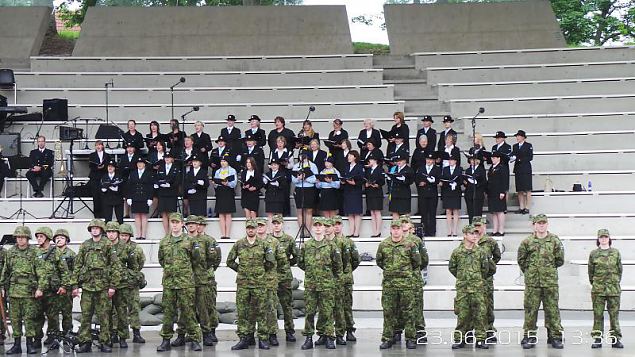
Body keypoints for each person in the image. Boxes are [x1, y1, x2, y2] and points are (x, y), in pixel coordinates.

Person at [71, 219, 121, 353]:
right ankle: (85, 342)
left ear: (101, 230)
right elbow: (77, 266)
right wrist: (74, 285)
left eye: (97, 228)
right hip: (87, 287)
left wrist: (113, 286)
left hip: (103, 287)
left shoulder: (108, 245)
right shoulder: (85, 245)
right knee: (86, 315)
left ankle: (105, 341)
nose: (94, 230)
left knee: (104, 316)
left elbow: (116, 266)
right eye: (92, 228)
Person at [156, 213, 203, 352]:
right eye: (172, 222)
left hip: (185, 283)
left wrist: (183, 271)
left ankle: (194, 339)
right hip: (170, 282)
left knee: (189, 311)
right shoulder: (164, 242)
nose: (175, 225)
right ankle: (165, 340)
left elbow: (196, 260)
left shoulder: (190, 241)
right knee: (168, 313)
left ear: (182, 224)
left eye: (177, 222)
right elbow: (161, 260)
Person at [517, 214, 564, 349]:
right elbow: (521, 260)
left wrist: (547, 270)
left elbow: (559, 260)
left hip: (550, 282)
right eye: (539, 223)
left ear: (547, 224)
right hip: (533, 283)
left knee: (552, 310)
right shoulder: (527, 242)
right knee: (531, 310)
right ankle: (529, 336)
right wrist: (532, 272)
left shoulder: (555, 240)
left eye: (544, 223)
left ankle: (555, 336)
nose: (541, 225)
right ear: (534, 225)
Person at [226, 219, 275, 350]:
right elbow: (229, 261)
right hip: (243, 284)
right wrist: (241, 270)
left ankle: (263, 338)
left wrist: (259, 271)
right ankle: (244, 338)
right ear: (246, 229)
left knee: (261, 311)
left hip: (259, 283)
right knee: (243, 312)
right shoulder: (239, 244)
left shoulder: (264, 244)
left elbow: (270, 262)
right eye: (249, 228)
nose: (251, 230)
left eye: (253, 228)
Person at [1, 226, 48, 355]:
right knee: (15, 319)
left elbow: (42, 272)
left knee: (29, 319)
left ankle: (29, 344)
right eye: (18, 237)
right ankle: (16, 345)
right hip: (14, 291)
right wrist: (2, 286)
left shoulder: (35, 252)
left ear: (27, 238)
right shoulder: (11, 252)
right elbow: (6, 271)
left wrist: (40, 288)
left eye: (22, 237)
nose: (20, 240)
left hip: (29, 292)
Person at [376, 220, 421, 350]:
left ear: (403, 230)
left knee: (408, 312)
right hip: (390, 285)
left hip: (406, 284)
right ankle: (387, 338)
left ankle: (410, 338)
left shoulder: (410, 244)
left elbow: (417, 262)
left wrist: (405, 273)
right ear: (391, 230)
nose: (396, 231)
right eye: (393, 228)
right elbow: (380, 261)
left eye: (398, 228)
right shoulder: (384, 245)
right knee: (389, 312)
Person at [298, 218, 342, 350]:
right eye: (315, 225)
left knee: (327, 312)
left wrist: (330, 279)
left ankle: (329, 337)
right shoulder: (307, 245)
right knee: (310, 312)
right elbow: (301, 262)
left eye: (320, 225)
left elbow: (338, 266)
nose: (317, 228)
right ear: (312, 227)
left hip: (327, 285)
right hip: (311, 285)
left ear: (325, 228)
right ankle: (309, 338)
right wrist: (313, 273)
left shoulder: (331, 246)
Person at [172, 216, 216, 347]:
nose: (191, 226)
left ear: (198, 225)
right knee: (184, 308)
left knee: (203, 308)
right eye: (189, 224)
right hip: (184, 280)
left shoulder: (207, 240)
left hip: (200, 279)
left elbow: (213, 259)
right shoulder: (182, 240)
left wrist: (202, 270)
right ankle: (182, 334)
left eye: (193, 224)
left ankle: (206, 334)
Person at [448, 224, 493, 350]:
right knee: (462, 315)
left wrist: (476, 279)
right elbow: (452, 268)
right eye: (472, 234)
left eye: (476, 234)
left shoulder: (481, 252)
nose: (474, 236)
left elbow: (486, 269)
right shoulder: (457, 252)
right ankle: (460, 339)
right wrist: (463, 278)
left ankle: (480, 339)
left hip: (477, 288)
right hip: (463, 288)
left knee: (480, 314)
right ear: (465, 235)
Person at [33, 226, 71, 349]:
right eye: (37, 237)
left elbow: (64, 271)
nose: (39, 239)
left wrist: (64, 286)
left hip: (52, 290)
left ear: (48, 238)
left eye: (41, 237)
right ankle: (37, 338)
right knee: (37, 316)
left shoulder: (56, 252)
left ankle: (53, 337)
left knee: (53, 316)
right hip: (38, 289)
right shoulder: (35, 252)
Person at [588, 229, 624, 349]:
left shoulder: (616, 253)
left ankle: (615, 339)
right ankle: (597, 338)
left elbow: (619, 270)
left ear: (609, 239)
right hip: (598, 289)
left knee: (614, 315)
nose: (603, 239)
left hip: (613, 289)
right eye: (601, 237)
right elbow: (590, 272)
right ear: (598, 239)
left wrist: (614, 282)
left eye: (605, 237)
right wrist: (596, 284)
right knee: (598, 314)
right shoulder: (594, 254)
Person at [255, 218, 287, 348]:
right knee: (255, 309)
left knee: (271, 308)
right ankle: (255, 334)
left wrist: (275, 275)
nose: (260, 228)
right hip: (254, 282)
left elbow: (283, 260)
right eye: (257, 226)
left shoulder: (273, 242)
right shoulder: (249, 243)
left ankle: (272, 334)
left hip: (269, 281)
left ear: (266, 227)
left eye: (262, 226)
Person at [269, 214, 298, 342]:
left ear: (282, 224)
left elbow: (296, 257)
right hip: (271, 277)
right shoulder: (267, 240)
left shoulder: (289, 239)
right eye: (274, 223)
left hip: (285, 277)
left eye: (278, 223)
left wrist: (286, 264)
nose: (276, 225)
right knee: (271, 306)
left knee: (287, 306)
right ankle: (272, 333)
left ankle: (290, 331)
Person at [472, 217, 502, 341]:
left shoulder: (490, 242)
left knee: (488, 305)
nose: (478, 228)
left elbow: (497, 256)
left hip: (486, 279)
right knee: (470, 306)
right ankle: (469, 331)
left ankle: (489, 330)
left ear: (484, 226)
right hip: (471, 279)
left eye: (480, 226)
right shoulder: (468, 240)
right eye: (476, 226)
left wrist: (489, 268)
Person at [332, 216, 360, 343]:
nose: (336, 226)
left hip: (346, 279)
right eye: (334, 224)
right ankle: (333, 333)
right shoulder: (328, 243)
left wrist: (346, 272)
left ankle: (349, 330)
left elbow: (356, 260)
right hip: (331, 280)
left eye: (338, 224)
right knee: (333, 307)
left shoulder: (349, 242)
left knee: (347, 306)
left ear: (342, 225)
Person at [117, 223, 146, 344]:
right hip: (120, 284)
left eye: (126, 235)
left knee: (134, 308)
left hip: (132, 283)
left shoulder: (136, 248)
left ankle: (136, 333)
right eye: (122, 235)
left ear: (130, 236)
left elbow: (140, 262)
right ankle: (121, 335)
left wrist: (132, 274)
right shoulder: (115, 247)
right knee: (121, 310)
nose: (124, 237)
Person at [104, 221, 131, 348]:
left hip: (122, 284)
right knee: (106, 312)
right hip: (105, 283)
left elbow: (133, 265)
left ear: (118, 233)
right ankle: (109, 335)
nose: (111, 234)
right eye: (108, 232)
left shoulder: (125, 247)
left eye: (113, 232)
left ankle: (123, 337)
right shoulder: (103, 246)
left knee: (121, 312)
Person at [196, 216, 221, 343]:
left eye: (201, 225)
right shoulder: (190, 240)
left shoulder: (210, 240)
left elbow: (217, 258)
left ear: (204, 226)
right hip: (194, 278)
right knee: (195, 307)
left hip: (208, 278)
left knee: (210, 305)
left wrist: (209, 270)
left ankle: (212, 330)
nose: (199, 227)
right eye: (197, 224)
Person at [53, 229, 76, 340]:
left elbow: (75, 271)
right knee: (53, 313)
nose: (59, 240)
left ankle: (68, 333)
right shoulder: (51, 252)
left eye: (62, 238)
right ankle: (54, 334)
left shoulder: (71, 254)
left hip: (67, 287)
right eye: (57, 238)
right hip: (53, 287)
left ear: (66, 240)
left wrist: (74, 287)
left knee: (67, 312)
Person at [126, 157, 154, 240]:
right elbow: (130, 186)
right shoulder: (133, 173)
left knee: (144, 216)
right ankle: (138, 234)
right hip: (135, 197)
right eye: (138, 163)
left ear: (144, 164)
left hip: (145, 197)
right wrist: (129, 197)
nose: (139, 165)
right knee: (137, 215)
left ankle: (143, 234)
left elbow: (150, 187)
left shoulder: (148, 173)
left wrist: (150, 198)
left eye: (141, 163)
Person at [291, 154, 318, 234]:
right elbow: (293, 180)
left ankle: (308, 230)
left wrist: (306, 178)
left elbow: (315, 178)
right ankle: (302, 231)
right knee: (300, 210)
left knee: (309, 210)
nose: (301, 157)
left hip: (309, 188)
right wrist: (298, 179)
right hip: (299, 188)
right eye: (300, 155)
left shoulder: (313, 165)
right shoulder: (296, 166)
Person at [415, 152, 441, 237]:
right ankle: (423, 231)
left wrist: (434, 181)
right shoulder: (421, 168)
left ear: (433, 161)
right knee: (424, 213)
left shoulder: (437, 169)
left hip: (433, 193)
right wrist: (420, 183)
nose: (429, 161)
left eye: (431, 160)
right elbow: (417, 179)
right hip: (423, 193)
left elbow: (439, 180)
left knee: (432, 213)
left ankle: (432, 232)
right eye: (428, 159)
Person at [156, 152, 181, 234]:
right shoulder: (161, 168)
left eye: (168, 157)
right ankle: (167, 233)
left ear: (172, 159)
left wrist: (170, 185)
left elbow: (178, 180)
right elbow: (158, 178)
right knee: (164, 213)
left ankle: (172, 232)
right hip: (162, 192)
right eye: (165, 157)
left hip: (172, 193)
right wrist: (161, 184)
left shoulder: (176, 168)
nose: (166, 159)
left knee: (171, 213)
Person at [213, 156, 237, 238]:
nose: (223, 163)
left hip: (228, 191)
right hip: (220, 192)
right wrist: (215, 184)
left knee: (228, 213)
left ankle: (228, 234)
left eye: (224, 161)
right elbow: (215, 183)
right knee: (221, 213)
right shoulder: (217, 171)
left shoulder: (232, 170)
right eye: (222, 161)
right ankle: (223, 234)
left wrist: (228, 183)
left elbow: (234, 183)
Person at [341, 151, 364, 237]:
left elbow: (362, 179)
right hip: (348, 190)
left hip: (356, 191)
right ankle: (351, 231)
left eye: (350, 156)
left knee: (356, 212)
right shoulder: (346, 167)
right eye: (348, 156)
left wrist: (355, 183)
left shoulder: (359, 167)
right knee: (350, 212)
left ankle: (356, 232)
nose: (349, 157)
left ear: (355, 157)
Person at [487, 152, 509, 236]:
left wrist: (503, 192)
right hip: (492, 192)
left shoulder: (502, 168)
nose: (493, 159)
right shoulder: (491, 168)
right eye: (492, 158)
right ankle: (495, 229)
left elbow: (504, 180)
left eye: (495, 158)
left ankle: (501, 230)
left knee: (500, 211)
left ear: (499, 158)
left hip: (499, 191)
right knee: (494, 211)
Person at [512, 130, 533, 215]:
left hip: (526, 168)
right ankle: (521, 206)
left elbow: (530, 157)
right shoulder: (515, 146)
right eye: (517, 136)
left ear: (523, 137)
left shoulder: (528, 145)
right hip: (518, 168)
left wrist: (520, 159)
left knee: (527, 188)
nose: (517, 138)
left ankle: (527, 207)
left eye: (519, 136)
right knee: (519, 189)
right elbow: (513, 154)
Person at [441, 153, 462, 236]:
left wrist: (456, 184)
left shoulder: (459, 169)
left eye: (452, 160)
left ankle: (455, 230)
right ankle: (449, 230)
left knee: (456, 210)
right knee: (448, 210)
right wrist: (448, 183)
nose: (450, 161)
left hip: (456, 191)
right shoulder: (445, 169)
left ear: (455, 161)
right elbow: (443, 179)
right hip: (447, 191)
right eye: (449, 160)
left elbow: (461, 180)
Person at [364, 153, 385, 237]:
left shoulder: (380, 169)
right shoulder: (368, 170)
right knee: (372, 212)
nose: (370, 161)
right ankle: (374, 231)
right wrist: (366, 184)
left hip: (377, 192)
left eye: (371, 160)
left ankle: (378, 231)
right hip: (369, 191)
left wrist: (377, 184)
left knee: (377, 211)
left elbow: (382, 181)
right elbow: (365, 179)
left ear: (375, 160)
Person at [387, 154, 413, 219]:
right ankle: (396, 228)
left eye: (400, 160)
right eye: (397, 161)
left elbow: (411, 181)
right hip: (394, 193)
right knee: (394, 212)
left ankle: (406, 228)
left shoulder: (409, 169)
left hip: (404, 194)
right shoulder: (394, 168)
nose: (398, 162)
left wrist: (404, 179)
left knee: (405, 213)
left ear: (404, 161)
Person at [88, 140, 111, 218]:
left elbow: (109, 165)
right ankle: (97, 214)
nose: (98, 146)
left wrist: (103, 167)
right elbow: (90, 165)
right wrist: (97, 167)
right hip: (95, 177)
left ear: (102, 146)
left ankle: (104, 213)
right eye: (96, 145)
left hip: (103, 176)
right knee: (96, 196)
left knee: (103, 195)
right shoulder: (92, 155)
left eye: (100, 145)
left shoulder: (107, 155)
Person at [118, 142, 140, 218]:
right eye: (128, 147)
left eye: (131, 147)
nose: (130, 149)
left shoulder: (138, 157)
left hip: (135, 180)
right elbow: (120, 169)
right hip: (125, 180)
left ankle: (134, 213)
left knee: (135, 196)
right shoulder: (123, 158)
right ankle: (126, 213)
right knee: (126, 196)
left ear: (134, 149)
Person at [463, 155, 487, 223]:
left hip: (478, 193)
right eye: (471, 160)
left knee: (478, 212)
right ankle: (471, 228)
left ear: (478, 161)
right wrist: (465, 182)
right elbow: (465, 181)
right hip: (469, 193)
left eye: (474, 160)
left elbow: (484, 182)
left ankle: (477, 229)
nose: (473, 161)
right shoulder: (468, 170)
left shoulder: (481, 170)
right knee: (470, 212)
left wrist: (476, 183)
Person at [263, 159, 288, 223]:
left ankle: (279, 231)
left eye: (275, 165)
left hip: (278, 197)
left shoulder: (282, 174)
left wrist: (278, 185)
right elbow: (265, 187)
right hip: (269, 197)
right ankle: (271, 232)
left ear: (278, 166)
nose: (273, 166)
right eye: (272, 165)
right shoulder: (267, 174)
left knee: (279, 215)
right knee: (270, 215)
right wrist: (265, 183)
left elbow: (285, 186)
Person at [100, 160, 124, 224]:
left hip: (118, 199)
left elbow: (121, 187)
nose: (110, 168)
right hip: (107, 199)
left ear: (115, 168)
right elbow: (102, 187)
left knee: (120, 219)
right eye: (109, 166)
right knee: (107, 219)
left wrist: (111, 187)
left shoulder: (119, 176)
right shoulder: (104, 176)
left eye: (112, 167)